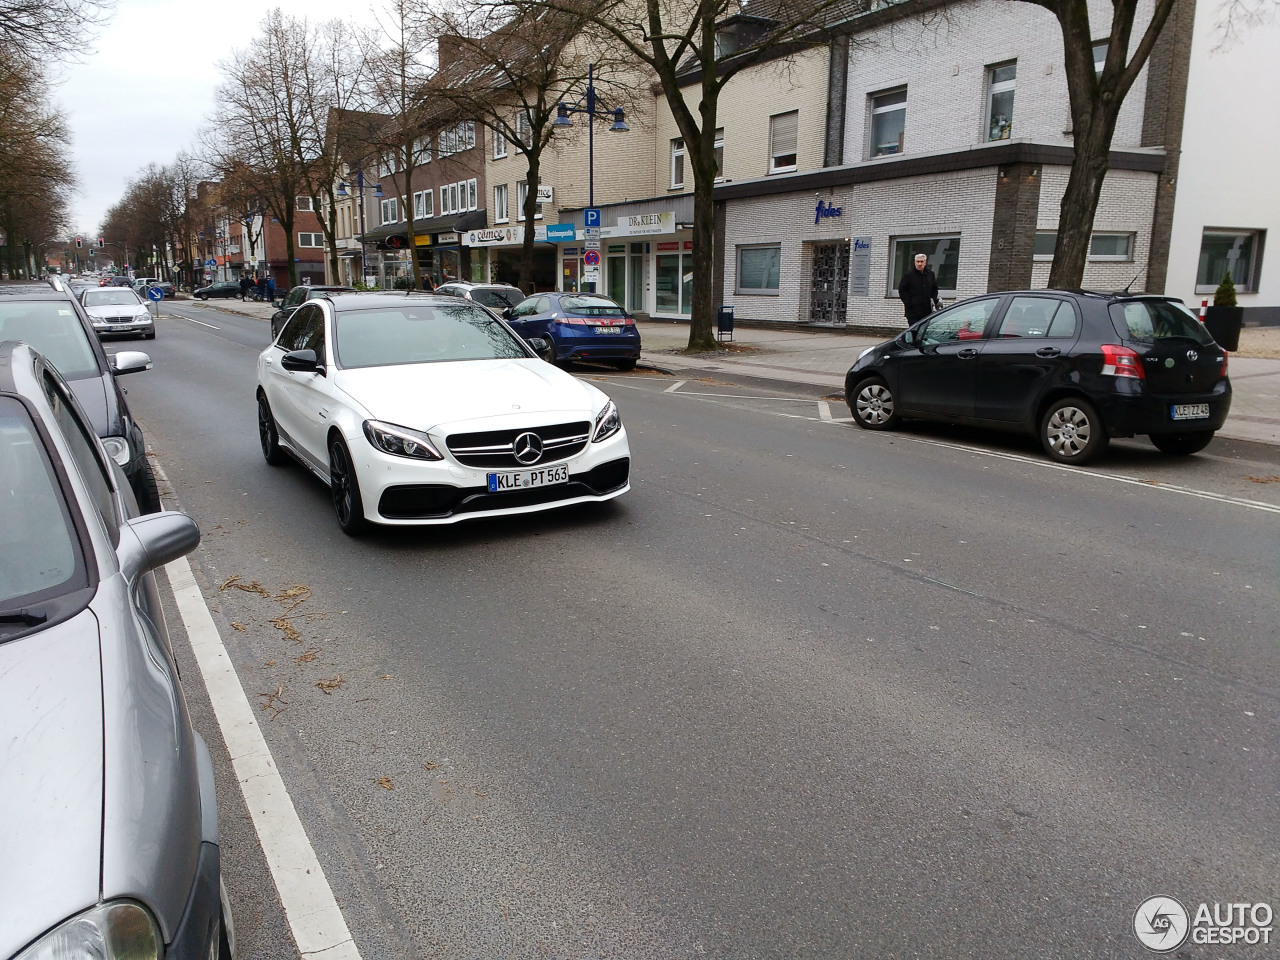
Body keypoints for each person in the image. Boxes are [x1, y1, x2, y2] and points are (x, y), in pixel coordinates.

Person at [898, 253, 943, 323]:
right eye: (917, 261)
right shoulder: (909, 275)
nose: (919, 264)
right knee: (914, 331)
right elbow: (902, 290)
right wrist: (909, 303)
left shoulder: (930, 274)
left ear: (925, 262)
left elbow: (934, 288)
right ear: (914, 262)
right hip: (913, 312)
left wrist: (933, 300)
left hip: (927, 311)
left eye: (921, 261)